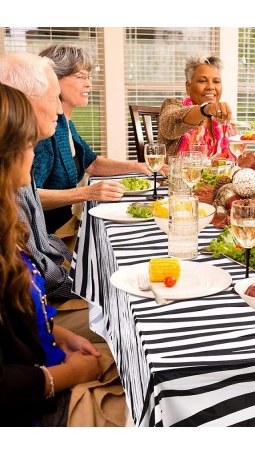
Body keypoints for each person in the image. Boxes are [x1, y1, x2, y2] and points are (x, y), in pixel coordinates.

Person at [0, 82, 103, 426]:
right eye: (28, 144)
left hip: (47, 359)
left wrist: (59, 333)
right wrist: (66, 375)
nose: (34, 153)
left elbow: (13, 316)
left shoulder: (5, 220)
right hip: (37, 406)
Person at [0, 52, 101, 342]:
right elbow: (36, 278)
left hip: (50, 281)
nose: (59, 110)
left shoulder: (23, 159)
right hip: (45, 309)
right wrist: (91, 283)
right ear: (23, 101)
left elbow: (42, 248)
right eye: (53, 98)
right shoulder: (13, 171)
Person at [34, 43, 166, 235]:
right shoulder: (47, 131)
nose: (89, 84)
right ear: (53, 79)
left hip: (66, 227)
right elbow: (26, 196)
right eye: (80, 77)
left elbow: (92, 164)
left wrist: (136, 166)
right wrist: (86, 193)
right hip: (50, 237)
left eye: (88, 76)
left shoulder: (65, 124)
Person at [158, 53, 235, 158]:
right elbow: (169, 125)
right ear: (188, 87)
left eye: (216, 81)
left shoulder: (224, 119)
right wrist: (206, 109)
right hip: (177, 173)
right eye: (202, 81)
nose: (211, 87)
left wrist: (245, 161)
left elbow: (233, 159)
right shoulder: (173, 105)